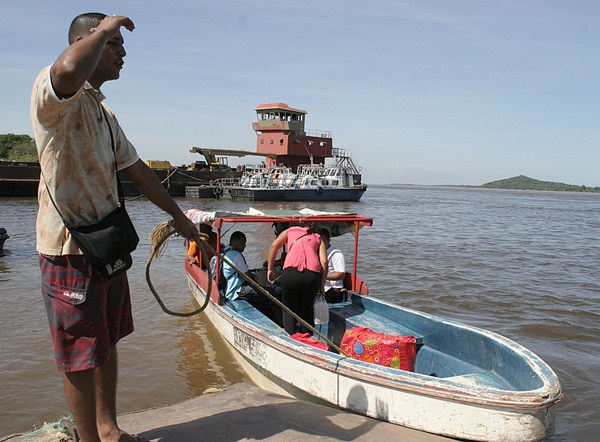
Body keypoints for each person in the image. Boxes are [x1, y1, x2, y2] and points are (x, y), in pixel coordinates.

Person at [30, 13, 197, 442]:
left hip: (106, 245)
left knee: (107, 341)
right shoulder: (54, 96)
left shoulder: (102, 112)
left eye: (121, 45)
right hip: (69, 248)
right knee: (80, 355)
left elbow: (138, 171)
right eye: (114, 46)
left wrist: (179, 219)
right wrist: (105, 27)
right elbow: (67, 68)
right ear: (87, 43)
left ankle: (108, 428)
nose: (122, 53)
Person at [267, 223, 327, 334]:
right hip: (312, 275)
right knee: (306, 307)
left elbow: (274, 246)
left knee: (288, 308)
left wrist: (270, 269)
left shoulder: (290, 231)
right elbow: (324, 261)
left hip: (291, 274)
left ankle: (291, 336)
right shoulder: (318, 237)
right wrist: (322, 285)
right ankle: (307, 337)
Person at [216, 231, 282, 325]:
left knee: (262, 292)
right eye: (241, 243)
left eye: (245, 243)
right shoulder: (236, 255)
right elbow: (247, 277)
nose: (244, 245)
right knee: (272, 294)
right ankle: (281, 322)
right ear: (233, 242)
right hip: (236, 290)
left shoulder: (226, 251)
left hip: (226, 288)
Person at [320, 228, 348, 303]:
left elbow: (341, 274)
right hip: (322, 287)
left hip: (334, 290)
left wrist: (322, 276)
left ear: (328, 240)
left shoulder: (336, 254)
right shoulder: (316, 253)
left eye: (323, 241)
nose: (321, 244)